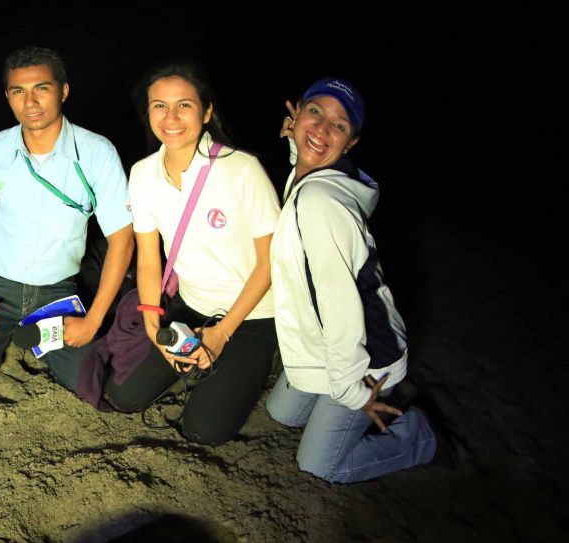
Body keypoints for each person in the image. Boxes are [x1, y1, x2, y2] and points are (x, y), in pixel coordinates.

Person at [265, 78, 436, 482]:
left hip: (366, 356)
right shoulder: (312, 178)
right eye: (315, 113)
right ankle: (337, 400)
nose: (322, 129)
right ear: (296, 115)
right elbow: (306, 163)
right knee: (281, 414)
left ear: (351, 144)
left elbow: (342, 309)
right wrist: (297, 144)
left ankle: (419, 437)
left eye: (339, 127)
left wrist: (354, 393)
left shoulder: (321, 203)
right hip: (328, 343)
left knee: (320, 465)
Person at [102, 64, 281, 444]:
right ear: (148, 112)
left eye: (184, 105)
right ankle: (199, 364)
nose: (171, 118)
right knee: (124, 396)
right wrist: (154, 329)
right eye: (159, 106)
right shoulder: (143, 174)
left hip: (252, 315)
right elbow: (149, 260)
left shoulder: (242, 170)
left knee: (203, 430)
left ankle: (248, 365)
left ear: (207, 112)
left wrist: (222, 333)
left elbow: (270, 264)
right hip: (192, 303)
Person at [0, 46, 133, 396]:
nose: (30, 102)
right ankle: (10, 337)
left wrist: (93, 320)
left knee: (92, 385)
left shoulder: (97, 152)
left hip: (57, 291)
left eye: (42, 88)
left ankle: (34, 336)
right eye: (19, 91)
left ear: (63, 91)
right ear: (8, 96)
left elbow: (122, 240)